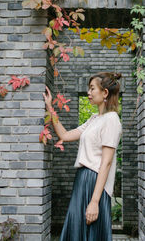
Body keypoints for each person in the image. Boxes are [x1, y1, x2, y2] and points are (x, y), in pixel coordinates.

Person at [43, 72, 123, 241]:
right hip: (82, 179)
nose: (88, 92)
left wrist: (94, 201)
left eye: (92, 88)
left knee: (91, 232)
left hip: (95, 182)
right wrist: (50, 107)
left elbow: (106, 163)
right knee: (77, 231)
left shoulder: (112, 119)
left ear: (105, 93)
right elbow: (65, 135)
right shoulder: (94, 119)